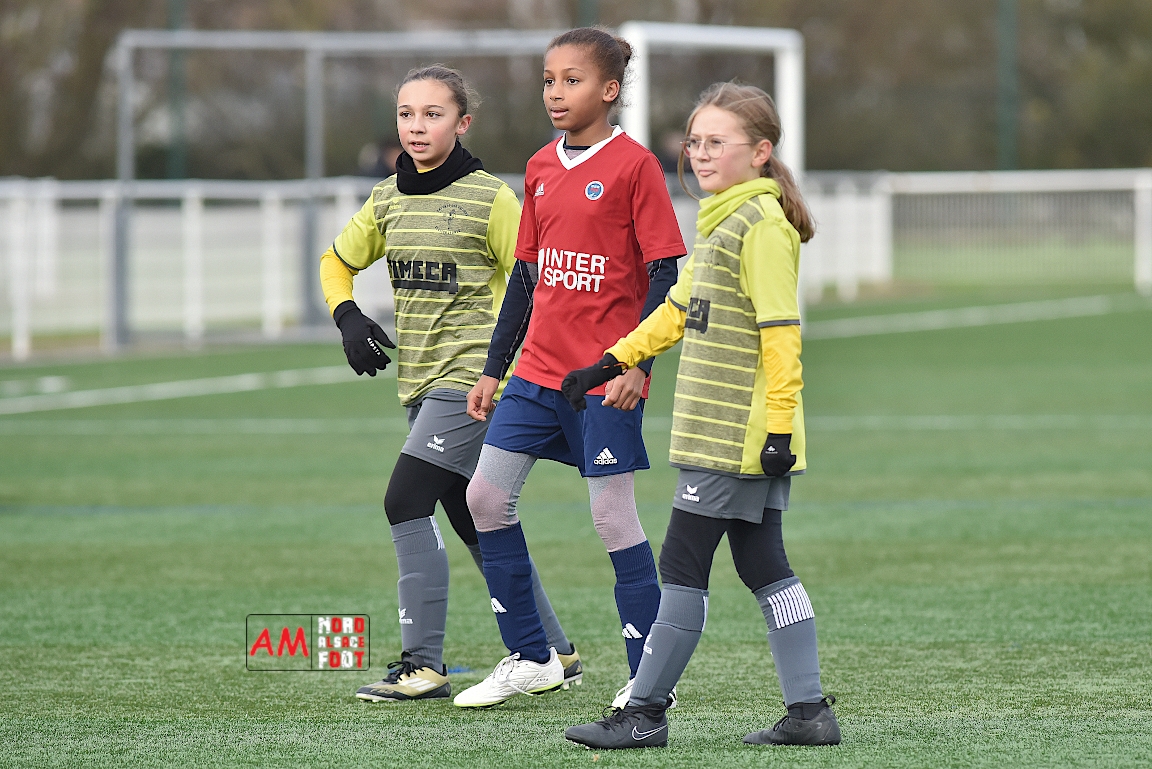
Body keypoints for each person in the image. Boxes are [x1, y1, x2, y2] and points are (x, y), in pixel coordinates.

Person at [560, 82, 841, 748]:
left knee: (682, 563)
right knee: (764, 564)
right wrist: (610, 361)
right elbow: (677, 310)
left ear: (761, 152)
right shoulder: (720, 219)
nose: (702, 153)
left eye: (718, 142)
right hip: (728, 432)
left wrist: (778, 428)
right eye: (695, 142)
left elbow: (781, 335)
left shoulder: (760, 225)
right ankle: (809, 712)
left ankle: (644, 712)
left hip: (734, 435)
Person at [319, 65, 580, 703]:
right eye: (406, 114)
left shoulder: (492, 200)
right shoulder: (387, 198)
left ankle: (422, 664)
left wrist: (524, 369)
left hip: (474, 383)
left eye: (432, 114)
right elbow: (335, 260)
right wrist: (347, 315)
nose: (416, 126)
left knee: (403, 501)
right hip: (420, 382)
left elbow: (537, 283)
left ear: (462, 123)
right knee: (472, 518)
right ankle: (557, 650)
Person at [452, 28, 686, 708]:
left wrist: (636, 363)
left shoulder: (636, 167)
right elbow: (526, 278)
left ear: (609, 90)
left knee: (612, 518)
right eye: (549, 80)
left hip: (603, 380)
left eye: (572, 80)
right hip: (534, 374)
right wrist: (493, 368)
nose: (556, 92)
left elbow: (664, 274)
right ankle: (532, 656)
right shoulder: (539, 167)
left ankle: (649, 682)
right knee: (484, 499)